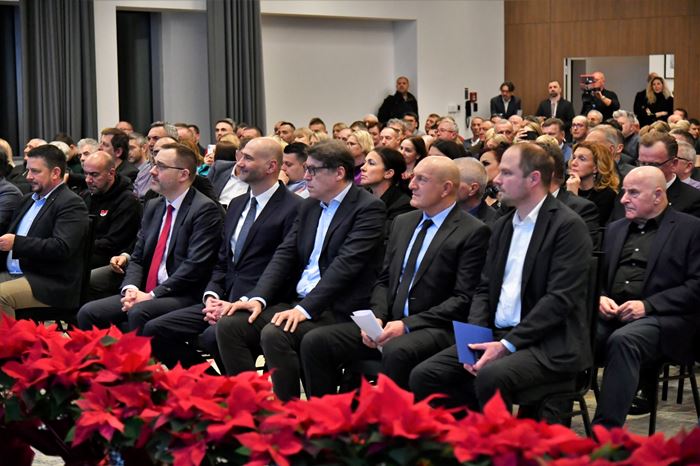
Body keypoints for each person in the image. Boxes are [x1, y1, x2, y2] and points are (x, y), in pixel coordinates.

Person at [410, 142, 593, 412]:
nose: (496, 180)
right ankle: (465, 436)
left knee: (491, 376)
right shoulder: (503, 224)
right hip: (498, 334)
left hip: (546, 343)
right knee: (425, 375)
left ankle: (496, 438)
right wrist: (475, 337)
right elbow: (484, 288)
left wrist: (507, 345)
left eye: (506, 173)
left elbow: (559, 300)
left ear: (533, 179)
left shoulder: (567, 226)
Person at [301, 156, 489, 396]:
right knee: (316, 341)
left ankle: (392, 418)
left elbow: (463, 298)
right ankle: (325, 414)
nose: (412, 185)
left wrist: (407, 326)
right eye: (413, 177)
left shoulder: (472, 231)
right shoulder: (403, 222)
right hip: (390, 322)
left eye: (422, 179)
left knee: (397, 350)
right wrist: (377, 317)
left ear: (446, 188)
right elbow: (384, 279)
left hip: (436, 327)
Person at [215, 140, 386, 400]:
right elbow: (284, 255)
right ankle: (254, 405)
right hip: (299, 301)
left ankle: (292, 411)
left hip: (337, 307)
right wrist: (257, 298)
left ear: (339, 173)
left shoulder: (367, 208)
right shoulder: (309, 205)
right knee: (230, 326)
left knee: (276, 333)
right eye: (306, 169)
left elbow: (345, 266)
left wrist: (304, 310)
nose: (306, 176)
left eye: (313, 170)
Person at [142, 138, 301, 370]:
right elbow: (222, 261)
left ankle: (245, 389)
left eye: (248, 158)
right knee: (155, 329)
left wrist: (241, 302)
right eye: (240, 156)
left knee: (213, 336)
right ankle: (211, 385)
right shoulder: (236, 204)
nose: (239, 163)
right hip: (224, 298)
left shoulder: (294, 207)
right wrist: (212, 295)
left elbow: (283, 267)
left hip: (262, 301)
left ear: (271, 166)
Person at [593, 166, 700, 428]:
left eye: (633, 193)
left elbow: (696, 286)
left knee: (624, 340)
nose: (623, 199)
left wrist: (648, 305)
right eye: (623, 192)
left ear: (658, 195)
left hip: (666, 318)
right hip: (615, 313)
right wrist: (600, 297)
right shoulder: (615, 229)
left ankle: (605, 435)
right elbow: (593, 276)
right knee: (573, 331)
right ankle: (550, 423)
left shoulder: (691, 229)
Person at [77, 143, 223, 333]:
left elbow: (194, 266)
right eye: (154, 164)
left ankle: (138, 353)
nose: (152, 171)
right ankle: (109, 354)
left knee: (139, 311)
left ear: (183, 174)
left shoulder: (204, 209)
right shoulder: (154, 206)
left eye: (160, 167)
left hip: (181, 293)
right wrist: (130, 288)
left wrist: (151, 295)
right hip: (146, 290)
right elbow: (138, 256)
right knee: (88, 312)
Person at [0, 145, 89, 316]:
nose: (28, 176)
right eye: (28, 170)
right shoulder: (27, 200)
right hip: (17, 273)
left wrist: (17, 243)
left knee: (0, 295)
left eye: (35, 171)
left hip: (49, 282)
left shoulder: (71, 203)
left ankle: (12, 335)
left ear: (55, 173)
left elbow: (62, 247)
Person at [610, 131, 700, 220]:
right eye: (642, 163)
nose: (645, 169)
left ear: (673, 163)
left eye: (653, 165)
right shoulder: (625, 192)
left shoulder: (693, 199)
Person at [80, 151, 142, 269]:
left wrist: (78, 244)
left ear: (111, 173)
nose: (88, 180)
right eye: (86, 173)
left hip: (112, 259)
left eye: (94, 175)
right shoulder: (86, 196)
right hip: (87, 251)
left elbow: (114, 243)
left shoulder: (127, 201)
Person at [360, 147, 414, 239]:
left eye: (371, 163)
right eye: (365, 162)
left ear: (388, 173)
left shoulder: (402, 205)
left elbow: (381, 236)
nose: (362, 168)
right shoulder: (361, 193)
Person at [566, 140, 619, 227]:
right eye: (574, 157)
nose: (574, 163)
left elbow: (579, 227)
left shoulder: (607, 195)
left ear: (596, 167)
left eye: (582, 159)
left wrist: (572, 196)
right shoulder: (565, 186)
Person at [454, 157, 499, 227]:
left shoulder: (494, 225)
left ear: (473, 189)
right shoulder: (439, 210)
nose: (445, 187)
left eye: (453, 181)